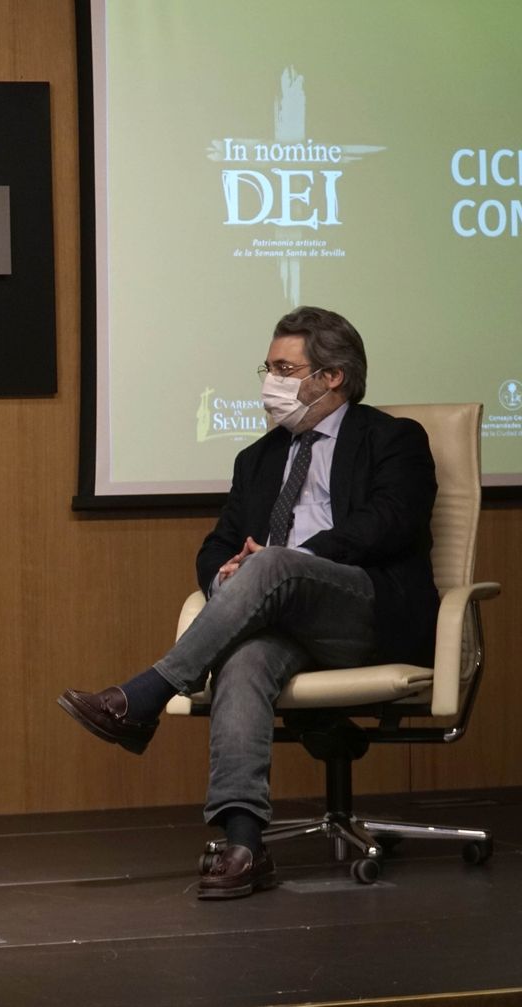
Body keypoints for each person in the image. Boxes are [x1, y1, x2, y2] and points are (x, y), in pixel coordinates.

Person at [58, 306, 438, 899]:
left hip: (367, 613)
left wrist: (285, 559)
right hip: (283, 618)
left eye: (285, 368)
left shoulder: (393, 439)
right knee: (244, 660)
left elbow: (388, 524)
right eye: (269, 367)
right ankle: (243, 846)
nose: (270, 381)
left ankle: (147, 695)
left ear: (332, 376)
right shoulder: (258, 459)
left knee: (276, 560)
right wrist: (228, 574)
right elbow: (215, 545)